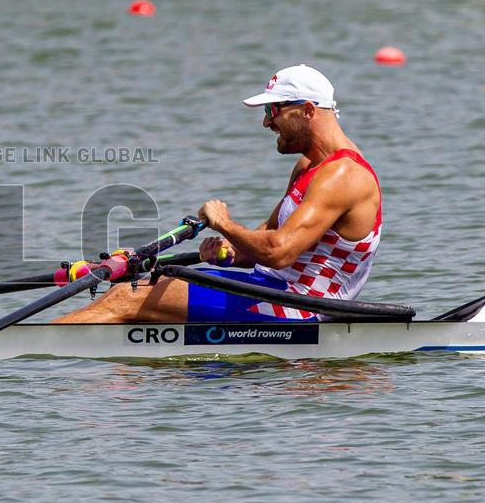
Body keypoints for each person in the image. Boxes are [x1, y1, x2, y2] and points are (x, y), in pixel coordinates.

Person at [56, 64, 381, 324]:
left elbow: (278, 252)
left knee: (125, 297)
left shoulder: (344, 176)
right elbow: (267, 237)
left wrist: (224, 224)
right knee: (136, 287)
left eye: (274, 111)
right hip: (270, 289)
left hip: (300, 308)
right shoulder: (308, 167)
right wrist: (229, 252)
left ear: (308, 110)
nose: (267, 122)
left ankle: (32, 361)